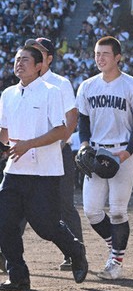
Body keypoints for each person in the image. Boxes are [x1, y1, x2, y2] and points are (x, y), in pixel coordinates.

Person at [0, 44, 88, 291]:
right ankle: (18, 275)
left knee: (45, 226)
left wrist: (28, 144)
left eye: (25, 59)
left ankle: (75, 250)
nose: (19, 63)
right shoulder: (8, 94)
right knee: (4, 222)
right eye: (17, 59)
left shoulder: (52, 91)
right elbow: (4, 132)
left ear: (39, 65)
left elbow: (61, 131)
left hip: (44, 172)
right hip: (14, 171)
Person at [76, 36, 133, 280]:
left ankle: (116, 261)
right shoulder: (87, 86)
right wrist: (84, 145)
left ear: (118, 57)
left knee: (118, 210)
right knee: (92, 211)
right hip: (96, 151)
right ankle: (114, 245)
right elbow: (83, 120)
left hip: (122, 151)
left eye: (105, 53)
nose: (100, 58)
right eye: (97, 53)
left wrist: (127, 152)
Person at [25, 38, 82, 271]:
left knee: (63, 205)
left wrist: (58, 144)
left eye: (39, 51)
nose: (34, 54)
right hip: (28, 152)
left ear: (49, 58)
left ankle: (76, 253)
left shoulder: (60, 83)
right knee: (18, 201)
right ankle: (6, 252)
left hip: (57, 151)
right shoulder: (24, 83)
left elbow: (72, 117)